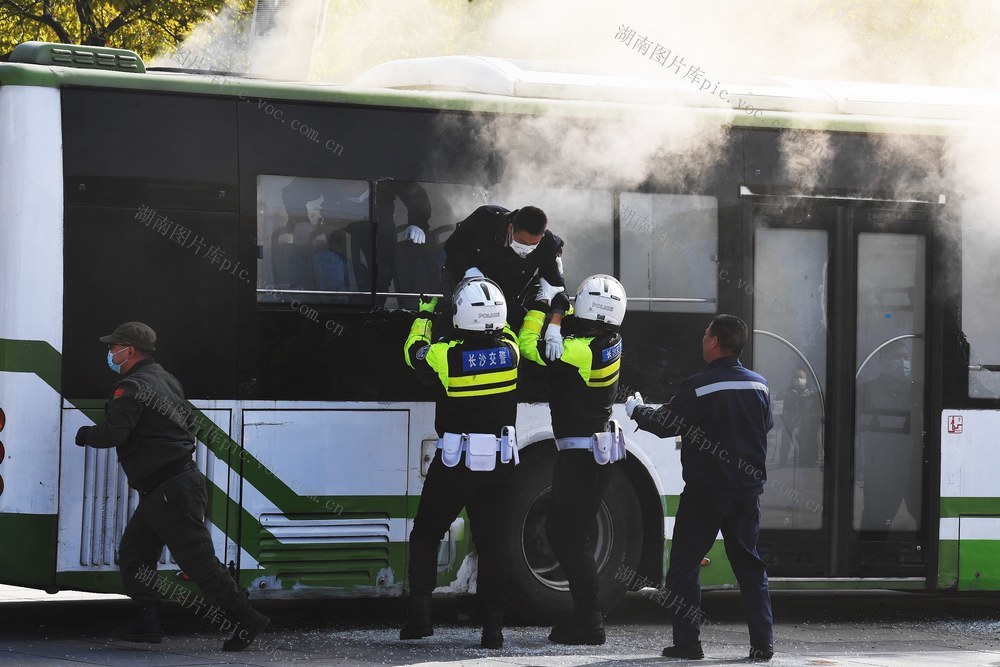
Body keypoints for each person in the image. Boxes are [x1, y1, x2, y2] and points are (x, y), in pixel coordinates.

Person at [75, 322, 269, 652]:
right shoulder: (165, 378)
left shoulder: (132, 387)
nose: (110, 352)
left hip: (170, 491)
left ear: (130, 350)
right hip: (166, 488)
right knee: (134, 554)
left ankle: (246, 617)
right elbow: (190, 421)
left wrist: (85, 435)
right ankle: (146, 621)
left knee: (198, 562)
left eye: (114, 347)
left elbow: (114, 434)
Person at [624, 314, 774, 662]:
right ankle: (762, 644)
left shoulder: (699, 385)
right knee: (750, 567)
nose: (702, 337)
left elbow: (665, 424)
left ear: (714, 342)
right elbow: (764, 426)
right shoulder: (760, 385)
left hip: (706, 493)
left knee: (685, 566)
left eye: (706, 333)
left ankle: (688, 644)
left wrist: (636, 410)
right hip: (747, 491)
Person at [400, 277, 521, 649]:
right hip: (499, 465)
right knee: (493, 543)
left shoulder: (446, 355)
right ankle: (493, 630)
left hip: (455, 465)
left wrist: (423, 315)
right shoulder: (512, 352)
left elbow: (413, 351)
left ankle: (420, 618)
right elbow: (511, 332)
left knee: (426, 533)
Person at [518, 274, 628, 645]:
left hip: (580, 458)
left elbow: (528, 348)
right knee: (569, 535)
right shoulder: (609, 340)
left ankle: (590, 623)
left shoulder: (581, 350)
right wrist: (559, 316)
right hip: (595, 455)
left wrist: (542, 308)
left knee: (569, 538)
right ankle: (586, 618)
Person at [443, 204, 565, 328]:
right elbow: (452, 246)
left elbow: (557, 286)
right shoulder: (485, 218)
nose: (526, 248)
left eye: (534, 244)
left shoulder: (547, 244)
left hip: (505, 301)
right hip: (464, 291)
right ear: (510, 228)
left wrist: (555, 325)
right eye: (522, 242)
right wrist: (469, 270)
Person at [777, 368, 820, 467]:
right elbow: (778, 405)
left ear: (806, 379)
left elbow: (816, 410)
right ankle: (783, 461)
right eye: (796, 377)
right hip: (789, 421)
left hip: (806, 422)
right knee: (785, 440)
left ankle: (805, 460)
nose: (799, 379)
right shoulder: (785, 392)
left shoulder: (813, 393)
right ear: (792, 379)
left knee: (805, 439)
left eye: (801, 377)